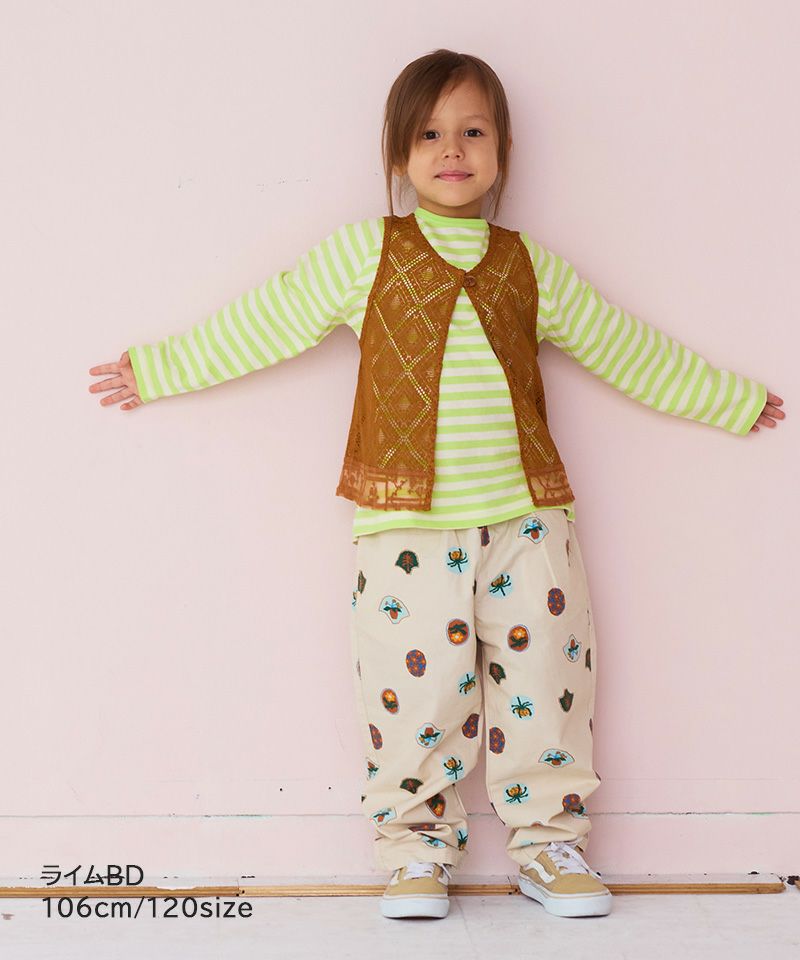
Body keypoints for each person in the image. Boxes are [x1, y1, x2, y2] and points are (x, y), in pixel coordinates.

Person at [88, 49, 785, 921]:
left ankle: (548, 844)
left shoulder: (530, 265)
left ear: (503, 151)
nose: (451, 149)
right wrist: (157, 369)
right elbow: (267, 319)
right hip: (404, 527)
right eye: (428, 134)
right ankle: (416, 850)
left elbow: (624, 345)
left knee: (549, 683)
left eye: (472, 131)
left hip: (530, 523)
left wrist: (729, 398)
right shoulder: (363, 253)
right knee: (413, 696)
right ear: (398, 154)